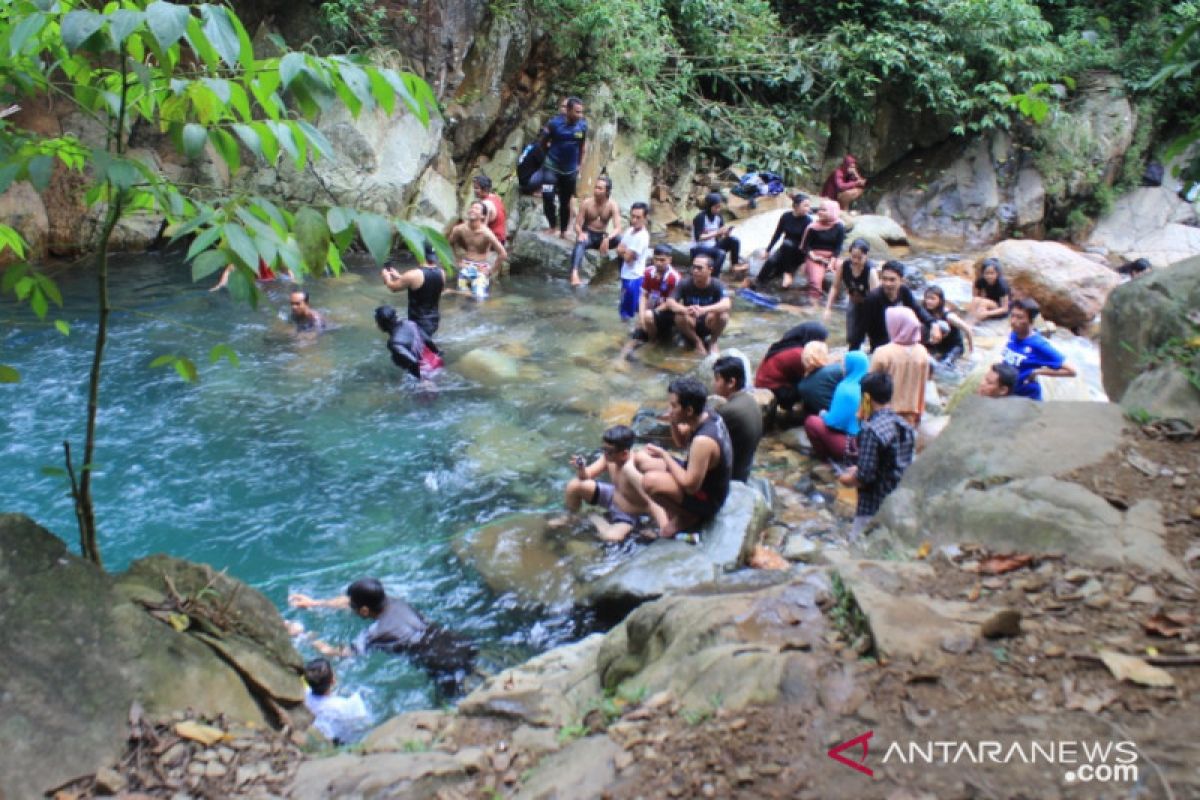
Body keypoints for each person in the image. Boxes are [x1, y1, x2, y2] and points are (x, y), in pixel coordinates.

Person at [288, 578, 477, 695]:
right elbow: (347, 602)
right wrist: (315, 603)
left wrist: (304, 635)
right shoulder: (397, 602)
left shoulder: (375, 633)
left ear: (364, 611)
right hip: (457, 642)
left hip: (441, 664)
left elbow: (337, 653)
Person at [638, 377, 734, 538]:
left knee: (649, 482)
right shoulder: (705, 415)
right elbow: (681, 442)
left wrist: (665, 455)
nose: (670, 408)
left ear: (689, 410)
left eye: (674, 405)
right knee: (641, 458)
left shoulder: (703, 441)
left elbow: (690, 486)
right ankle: (676, 507)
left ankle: (688, 516)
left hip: (708, 497)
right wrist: (673, 421)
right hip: (699, 478)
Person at [838, 372, 915, 540]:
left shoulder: (871, 430)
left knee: (859, 547)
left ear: (866, 397)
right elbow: (896, 462)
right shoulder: (903, 424)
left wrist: (846, 479)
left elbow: (864, 476)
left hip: (873, 504)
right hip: (897, 500)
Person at [557, 425, 666, 542]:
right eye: (603, 448)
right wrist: (581, 468)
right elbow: (586, 476)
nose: (605, 453)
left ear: (624, 454)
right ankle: (569, 516)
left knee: (611, 538)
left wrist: (664, 529)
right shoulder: (608, 458)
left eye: (609, 451)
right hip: (612, 496)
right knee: (574, 485)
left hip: (628, 513)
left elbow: (653, 502)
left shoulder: (634, 467)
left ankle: (595, 518)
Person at [1001, 298, 1076, 401]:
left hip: (1026, 399)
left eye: (1020, 317)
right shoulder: (1014, 334)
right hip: (1008, 393)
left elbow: (1071, 371)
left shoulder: (1039, 345)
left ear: (1031, 321)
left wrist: (1037, 371)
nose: (1013, 321)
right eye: (1012, 316)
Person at [850, 261, 933, 352]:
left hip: (902, 339)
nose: (887, 283)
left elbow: (917, 310)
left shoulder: (904, 291)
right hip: (882, 345)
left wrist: (933, 324)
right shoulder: (873, 299)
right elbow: (861, 328)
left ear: (901, 280)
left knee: (927, 328)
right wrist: (852, 352)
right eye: (884, 279)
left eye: (892, 280)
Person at [869, 306, 930, 428]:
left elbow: (869, 386)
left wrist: (863, 413)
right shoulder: (922, 352)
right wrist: (919, 412)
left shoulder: (883, 352)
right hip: (910, 415)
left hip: (883, 417)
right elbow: (922, 386)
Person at [804, 351, 869, 462]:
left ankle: (825, 460)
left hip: (853, 447)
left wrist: (823, 414)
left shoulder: (845, 387)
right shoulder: (873, 385)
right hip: (870, 446)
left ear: (850, 367)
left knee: (811, 421)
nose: (842, 368)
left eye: (844, 365)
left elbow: (833, 423)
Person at [754, 321, 828, 418]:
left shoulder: (789, 344)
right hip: (773, 389)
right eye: (821, 340)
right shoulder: (799, 354)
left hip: (764, 383)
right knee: (812, 385)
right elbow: (813, 377)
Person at [661, 254, 731, 355]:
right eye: (694, 267)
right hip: (691, 321)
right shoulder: (684, 283)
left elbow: (727, 304)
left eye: (699, 268)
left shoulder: (717, 284)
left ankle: (713, 342)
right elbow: (670, 302)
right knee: (679, 314)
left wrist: (704, 309)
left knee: (724, 315)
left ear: (710, 270)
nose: (695, 271)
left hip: (708, 321)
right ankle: (697, 341)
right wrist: (685, 309)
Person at [539, 97, 588, 239]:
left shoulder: (583, 126)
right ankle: (552, 226)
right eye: (577, 112)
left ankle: (563, 231)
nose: (580, 115)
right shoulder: (554, 124)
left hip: (570, 170)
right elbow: (542, 142)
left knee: (565, 201)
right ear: (568, 110)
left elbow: (582, 147)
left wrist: (580, 166)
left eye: (581, 112)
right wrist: (547, 157)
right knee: (547, 195)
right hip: (552, 166)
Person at [712, 356, 763, 482]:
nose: (714, 384)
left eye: (717, 379)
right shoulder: (750, 400)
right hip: (744, 469)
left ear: (731, 383)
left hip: (730, 477)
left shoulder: (728, 411)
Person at [380, 243, 445, 337]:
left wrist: (386, 277)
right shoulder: (441, 273)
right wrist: (400, 277)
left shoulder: (413, 274)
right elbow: (427, 285)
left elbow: (393, 287)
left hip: (419, 322)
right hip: (434, 320)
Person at [569, 176, 623, 286]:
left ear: (607, 191)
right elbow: (577, 225)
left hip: (602, 237)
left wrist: (608, 238)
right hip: (588, 234)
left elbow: (618, 228)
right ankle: (574, 274)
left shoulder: (612, 205)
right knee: (580, 243)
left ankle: (622, 273)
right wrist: (580, 233)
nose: (596, 190)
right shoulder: (587, 203)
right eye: (595, 187)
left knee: (621, 240)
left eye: (599, 188)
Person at [824, 238, 878, 348]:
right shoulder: (844, 266)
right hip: (853, 302)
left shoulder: (871, 271)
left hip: (870, 306)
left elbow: (876, 297)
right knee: (852, 338)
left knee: (873, 336)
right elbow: (835, 287)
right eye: (853, 257)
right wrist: (828, 308)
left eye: (860, 258)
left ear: (866, 256)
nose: (856, 261)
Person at [448, 200, 507, 299]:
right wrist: (457, 260)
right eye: (472, 207)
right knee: (462, 296)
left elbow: (503, 254)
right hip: (465, 266)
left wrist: (491, 271)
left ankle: (452, 292)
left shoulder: (486, 233)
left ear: (483, 216)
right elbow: (449, 244)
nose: (472, 210)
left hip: (481, 268)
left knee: (479, 297)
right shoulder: (459, 229)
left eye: (477, 208)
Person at [303, 658, 370, 745]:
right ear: (333, 681)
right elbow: (366, 724)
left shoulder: (304, 696)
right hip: (341, 741)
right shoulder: (346, 704)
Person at [793, 199, 845, 299]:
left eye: (824, 210)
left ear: (832, 211)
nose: (819, 212)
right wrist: (815, 257)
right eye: (820, 209)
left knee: (847, 269)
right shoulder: (812, 227)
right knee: (816, 282)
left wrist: (831, 263)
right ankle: (814, 307)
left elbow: (838, 247)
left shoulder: (839, 226)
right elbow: (805, 246)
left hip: (832, 257)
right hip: (814, 257)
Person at [756, 193, 812, 286]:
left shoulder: (808, 221)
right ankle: (758, 282)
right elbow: (777, 234)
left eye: (809, 206)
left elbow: (809, 242)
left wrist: (807, 260)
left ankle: (788, 273)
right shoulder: (786, 216)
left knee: (787, 244)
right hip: (785, 248)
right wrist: (768, 250)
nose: (808, 208)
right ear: (796, 206)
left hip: (799, 251)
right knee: (770, 261)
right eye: (805, 205)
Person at [374, 305, 442, 379]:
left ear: (382, 324)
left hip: (427, 371)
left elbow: (413, 362)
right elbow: (428, 340)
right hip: (436, 361)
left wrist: (423, 380)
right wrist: (438, 354)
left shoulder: (394, 343)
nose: (377, 325)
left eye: (377, 322)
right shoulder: (409, 323)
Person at [690, 192, 741, 276]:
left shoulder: (718, 217)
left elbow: (721, 234)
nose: (718, 209)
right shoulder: (700, 217)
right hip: (698, 248)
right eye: (716, 207)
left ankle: (734, 267)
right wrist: (716, 233)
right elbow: (698, 238)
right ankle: (714, 276)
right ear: (709, 206)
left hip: (713, 245)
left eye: (719, 207)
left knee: (734, 241)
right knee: (721, 253)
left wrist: (726, 233)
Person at [922, 286, 973, 366]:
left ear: (940, 300)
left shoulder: (949, 316)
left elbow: (967, 329)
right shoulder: (924, 312)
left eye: (932, 299)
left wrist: (971, 350)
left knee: (945, 364)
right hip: (936, 345)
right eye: (927, 298)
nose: (928, 301)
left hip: (953, 347)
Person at [615, 202, 650, 319]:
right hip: (626, 274)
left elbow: (628, 259)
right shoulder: (630, 231)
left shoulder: (643, 236)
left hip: (635, 278)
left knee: (627, 314)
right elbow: (619, 249)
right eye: (633, 216)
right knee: (627, 308)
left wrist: (623, 251)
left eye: (638, 217)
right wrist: (624, 251)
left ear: (645, 218)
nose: (634, 220)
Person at [794, 342, 843, 418]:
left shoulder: (801, 386)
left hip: (827, 420)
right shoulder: (836, 370)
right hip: (848, 416)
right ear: (823, 355)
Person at [966, 258, 1011, 322]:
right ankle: (969, 321)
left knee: (983, 303)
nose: (989, 276)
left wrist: (986, 313)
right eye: (987, 273)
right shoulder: (980, 281)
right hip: (987, 304)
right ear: (983, 273)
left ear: (997, 273)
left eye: (992, 273)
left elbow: (1005, 308)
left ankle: (972, 323)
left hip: (999, 309)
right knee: (976, 300)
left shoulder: (1002, 285)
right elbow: (974, 298)